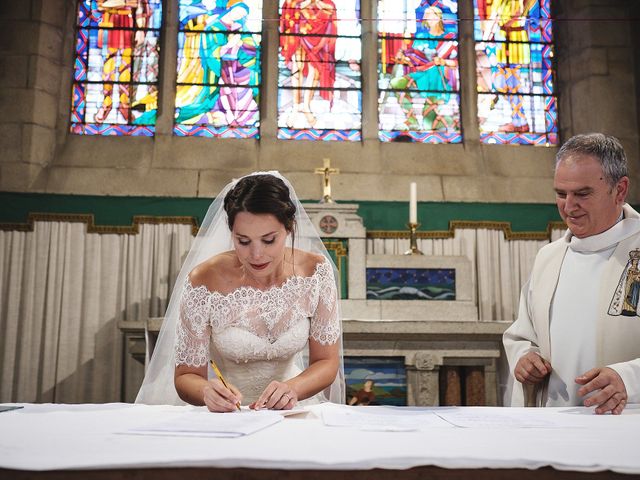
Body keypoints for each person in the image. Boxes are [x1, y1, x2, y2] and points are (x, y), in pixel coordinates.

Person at [135, 172, 344, 411]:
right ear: (231, 232)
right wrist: (206, 391)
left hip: (292, 408)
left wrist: (294, 388)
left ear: (289, 228)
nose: (256, 255)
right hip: (226, 414)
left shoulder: (315, 272)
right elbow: (186, 376)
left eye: (268, 240)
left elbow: (326, 361)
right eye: (243, 241)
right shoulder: (203, 281)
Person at [504, 133, 640, 414]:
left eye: (582, 194)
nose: (568, 207)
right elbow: (523, 335)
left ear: (620, 190)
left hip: (627, 427)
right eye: (560, 193)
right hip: (556, 427)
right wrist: (526, 358)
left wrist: (629, 379)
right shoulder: (548, 258)